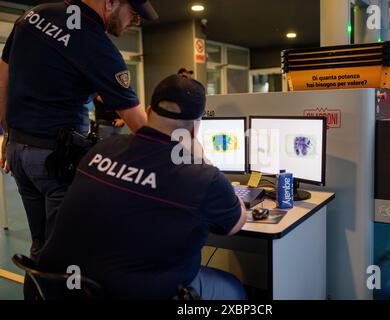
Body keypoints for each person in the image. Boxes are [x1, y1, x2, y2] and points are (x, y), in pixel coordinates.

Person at [38, 74, 248, 300]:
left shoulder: (102, 149)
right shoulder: (202, 178)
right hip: (125, 293)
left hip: (58, 288)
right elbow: (235, 223)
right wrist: (201, 160)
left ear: (148, 111)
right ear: (195, 130)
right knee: (233, 289)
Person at [0, 0, 158, 260]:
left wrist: (8, 133)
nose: (135, 22)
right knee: (66, 252)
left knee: (40, 246)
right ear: (111, 3)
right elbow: (140, 124)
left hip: (19, 153)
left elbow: (3, 75)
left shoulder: (35, 15)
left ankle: (38, 287)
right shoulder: (97, 45)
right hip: (55, 161)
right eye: (134, 14)